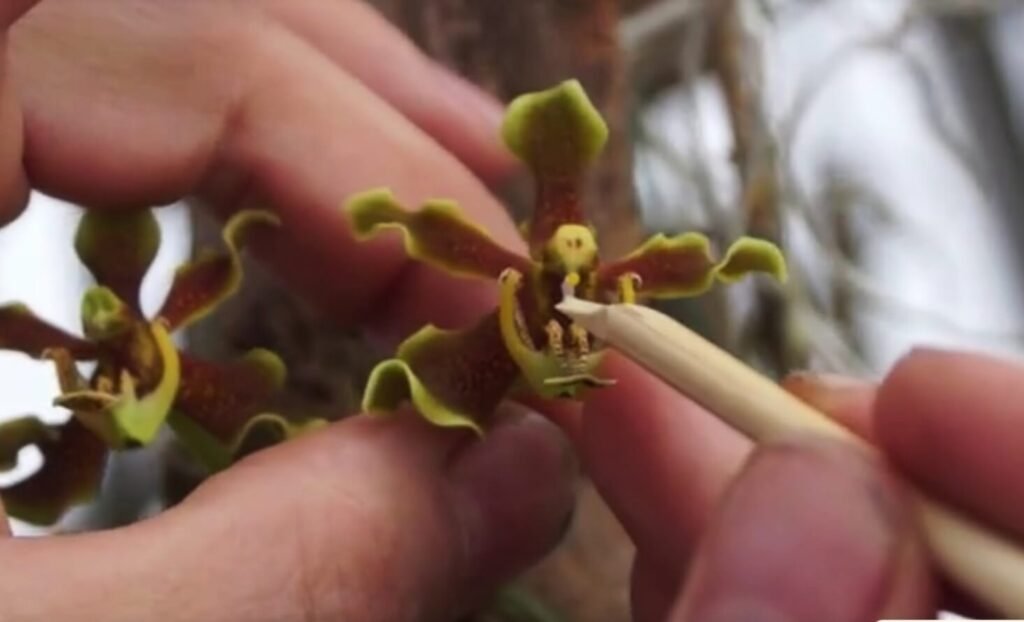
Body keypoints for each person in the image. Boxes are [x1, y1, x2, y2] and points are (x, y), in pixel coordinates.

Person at [0, 2, 1017, 620]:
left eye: (576, 277)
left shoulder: (509, 350)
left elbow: (720, 260)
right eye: (120, 355)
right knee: (352, 437)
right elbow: (399, 283)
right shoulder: (437, 369)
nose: (568, 291)